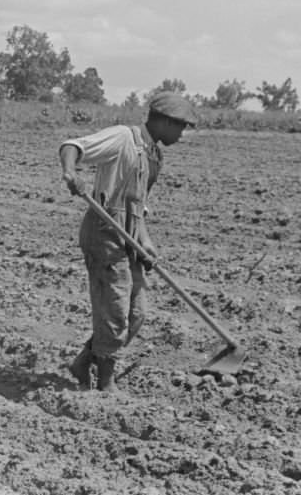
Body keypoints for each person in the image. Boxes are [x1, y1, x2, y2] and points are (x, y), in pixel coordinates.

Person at [58, 91, 195, 392]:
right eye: (181, 127)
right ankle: (106, 383)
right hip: (105, 233)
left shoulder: (152, 155)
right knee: (115, 311)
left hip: (129, 236)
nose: (182, 134)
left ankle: (84, 361)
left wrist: (144, 240)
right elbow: (73, 146)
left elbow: (138, 203)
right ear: (164, 122)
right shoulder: (123, 138)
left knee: (137, 313)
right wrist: (70, 173)